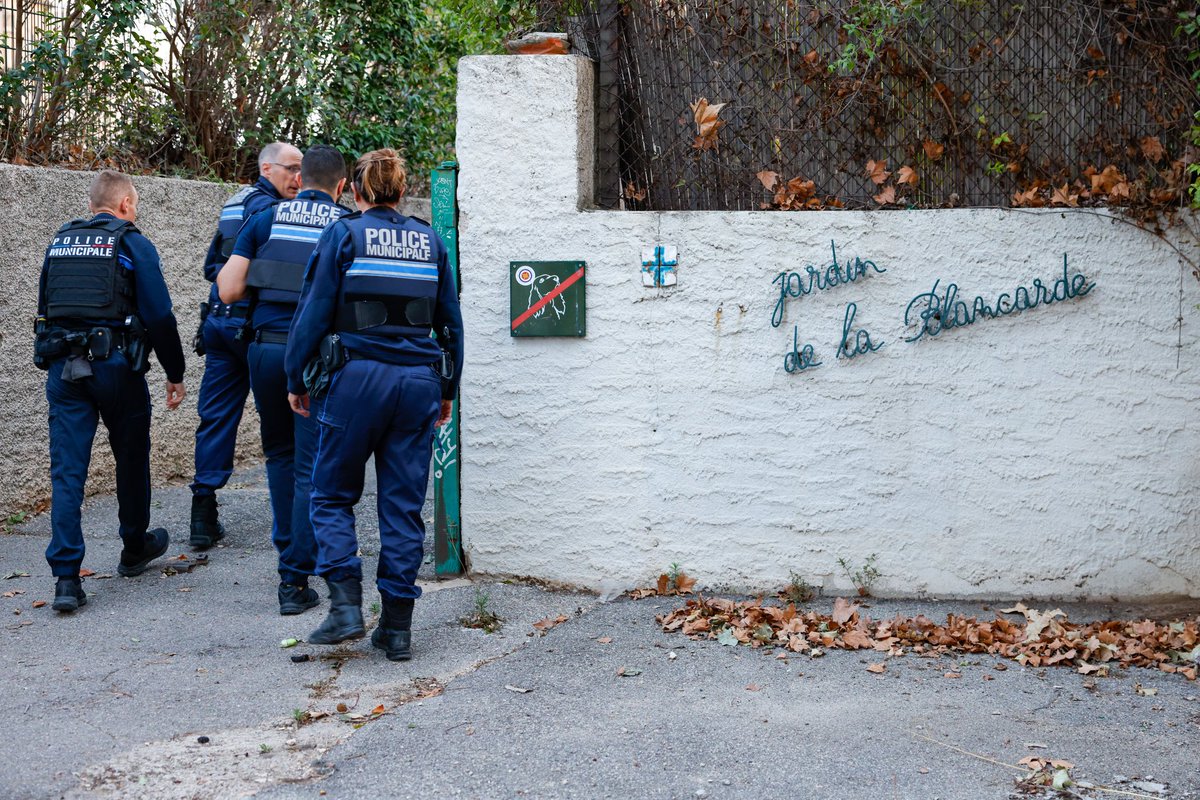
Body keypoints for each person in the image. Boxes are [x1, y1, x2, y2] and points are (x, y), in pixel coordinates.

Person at [284, 149, 463, 661]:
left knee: (330, 493)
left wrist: (296, 378)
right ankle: (398, 629)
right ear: (401, 192)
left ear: (356, 191)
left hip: (355, 380)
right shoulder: (430, 241)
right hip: (418, 385)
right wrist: (447, 390)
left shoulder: (343, 235)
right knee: (403, 506)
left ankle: (345, 608)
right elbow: (451, 324)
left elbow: (312, 312)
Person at [35, 170, 187, 612]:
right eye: (134, 204)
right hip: (116, 368)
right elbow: (160, 315)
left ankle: (66, 579)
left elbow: (46, 307)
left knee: (67, 473)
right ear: (124, 205)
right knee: (132, 458)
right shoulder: (132, 242)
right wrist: (174, 372)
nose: (134, 211)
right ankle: (134, 547)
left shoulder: (60, 242)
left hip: (65, 370)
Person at [215, 145, 348, 615]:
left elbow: (228, 290)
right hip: (315, 359)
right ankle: (294, 579)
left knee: (279, 455)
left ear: (300, 178)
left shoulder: (265, 218)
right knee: (312, 466)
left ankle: (288, 556)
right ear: (341, 186)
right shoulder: (345, 225)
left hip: (264, 350)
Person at [190, 142, 303, 550]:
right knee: (285, 431)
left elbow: (211, 266)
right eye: (292, 169)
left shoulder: (234, 202)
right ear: (267, 167)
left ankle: (202, 511)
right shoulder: (269, 211)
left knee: (217, 415)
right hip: (251, 327)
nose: (299, 178)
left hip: (220, 325)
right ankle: (295, 524)